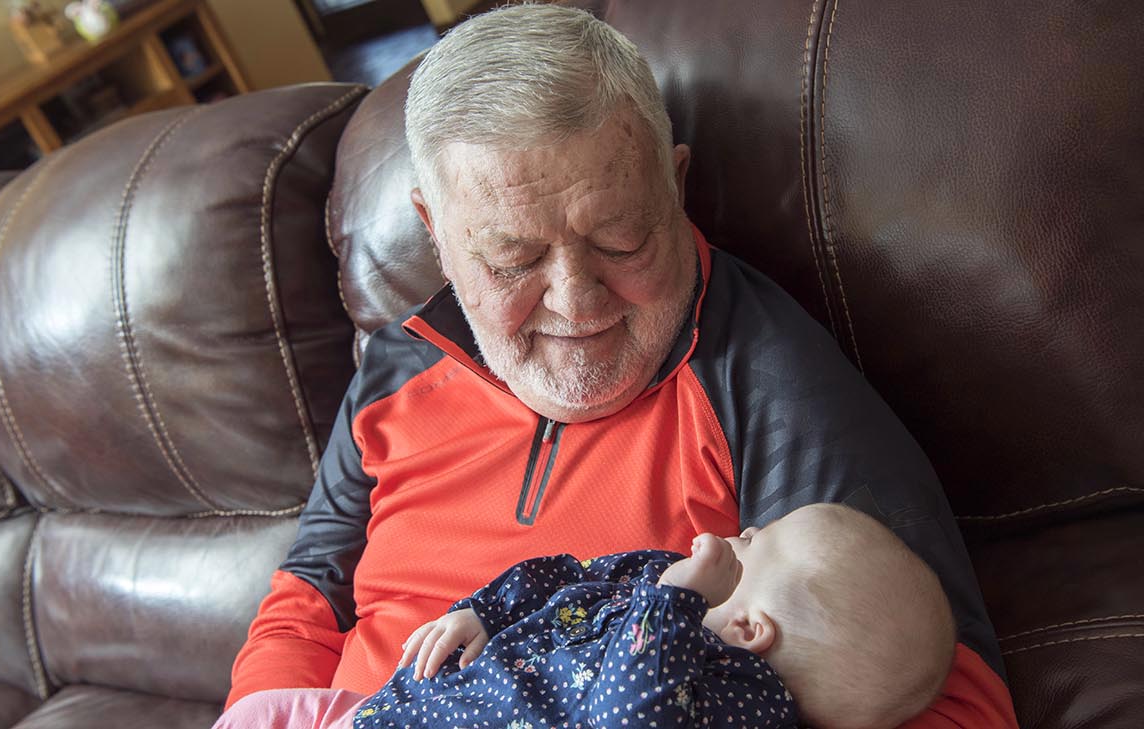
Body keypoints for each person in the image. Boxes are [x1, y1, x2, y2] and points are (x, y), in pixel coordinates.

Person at [225, 5, 1018, 727]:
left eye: (620, 240)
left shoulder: (765, 378)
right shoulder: (397, 363)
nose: (576, 302)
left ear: (674, 187)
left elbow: (944, 692)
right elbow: (310, 589)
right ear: (435, 230)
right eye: (514, 258)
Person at [214, 504, 955, 729]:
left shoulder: (740, 698)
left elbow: (629, 716)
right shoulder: (653, 585)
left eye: (755, 542)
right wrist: (482, 609)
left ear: (750, 627)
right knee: (263, 711)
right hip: (394, 702)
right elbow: (568, 574)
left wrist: (676, 599)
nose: (740, 531)